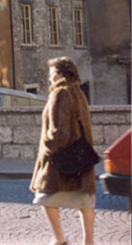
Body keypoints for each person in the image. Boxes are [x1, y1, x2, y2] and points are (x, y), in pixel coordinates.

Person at [30, 57, 96, 245]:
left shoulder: (60, 93)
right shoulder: (78, 92)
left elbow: (60, 131)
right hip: (81, 155)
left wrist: (47, 147)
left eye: (51, 74)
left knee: (44, 196)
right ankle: (89, 241)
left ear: (61, 74)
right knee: (85, 199)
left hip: (61, 157)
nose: (49, 78)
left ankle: (59, 239)